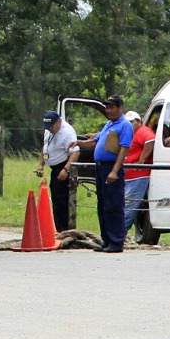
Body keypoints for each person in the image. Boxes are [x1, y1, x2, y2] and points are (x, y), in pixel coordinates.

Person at [67, 95, 133, 253]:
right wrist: (79, 142)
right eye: (107, 107)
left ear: (119, 107)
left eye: (111, 107)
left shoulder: (124, 125)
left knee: (113, 205)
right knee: (103, 205)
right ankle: (106, 240)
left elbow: (123, 149)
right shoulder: (109, 124)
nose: (108, 110)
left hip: (111, 168)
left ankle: (116, 241)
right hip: (100, 168)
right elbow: (95, 141)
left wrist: (115, 171)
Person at [37, 111, 79, 232]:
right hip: (54, 169)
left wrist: (66, 169)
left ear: (59, 122)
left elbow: (76, 152)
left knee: (62, 201)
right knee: (56, 200)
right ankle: (58, 229)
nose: (49, 129)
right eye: (47, 127)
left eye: (51, 127)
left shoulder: (67, 133)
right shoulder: (48, 131)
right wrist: (42, 164)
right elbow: (46, 149)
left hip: (63, 167)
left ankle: (65, 230)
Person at [121, 111, 155, 235]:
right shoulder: (130, 133)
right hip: (129, 175)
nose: (129, 124)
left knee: (130, 204)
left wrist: (141, 160)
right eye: (128, 122)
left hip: (138, 175)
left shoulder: (142, 131)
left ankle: (120, 232)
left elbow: (150, 141)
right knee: (126, 204)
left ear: (139, 121)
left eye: (132, 122)